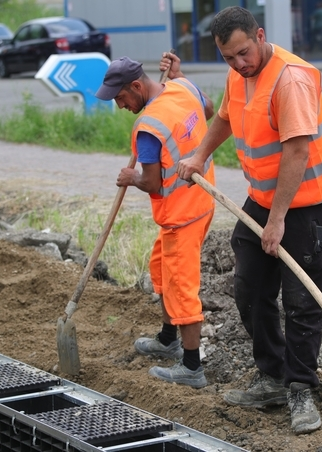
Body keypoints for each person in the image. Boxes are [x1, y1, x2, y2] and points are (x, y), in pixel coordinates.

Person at [173, 6, 322, 434]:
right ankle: (272, 376)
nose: (239, 63)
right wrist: (199, 155)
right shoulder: (239, 74)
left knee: (301, 298)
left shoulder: (290, 79)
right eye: (228, 57)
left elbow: (297, 152)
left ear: (260, 36)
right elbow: (225, 118)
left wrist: (278, 219)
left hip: (304, 203)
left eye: (244, 53)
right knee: (249, 286)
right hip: (263, 198)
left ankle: (300, 387)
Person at [95, 56, 215, 389]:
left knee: (180, 287)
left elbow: (152, 183)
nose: (120, 106)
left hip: (181, 216)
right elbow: (207, 110)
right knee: (161, 269)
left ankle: (191, 366)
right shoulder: (182, 87)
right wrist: (180, 75)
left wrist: (130, 177)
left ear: (136, 86)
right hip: (199, 203)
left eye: (121, 98)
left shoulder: (148, 128)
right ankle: (167, 339)